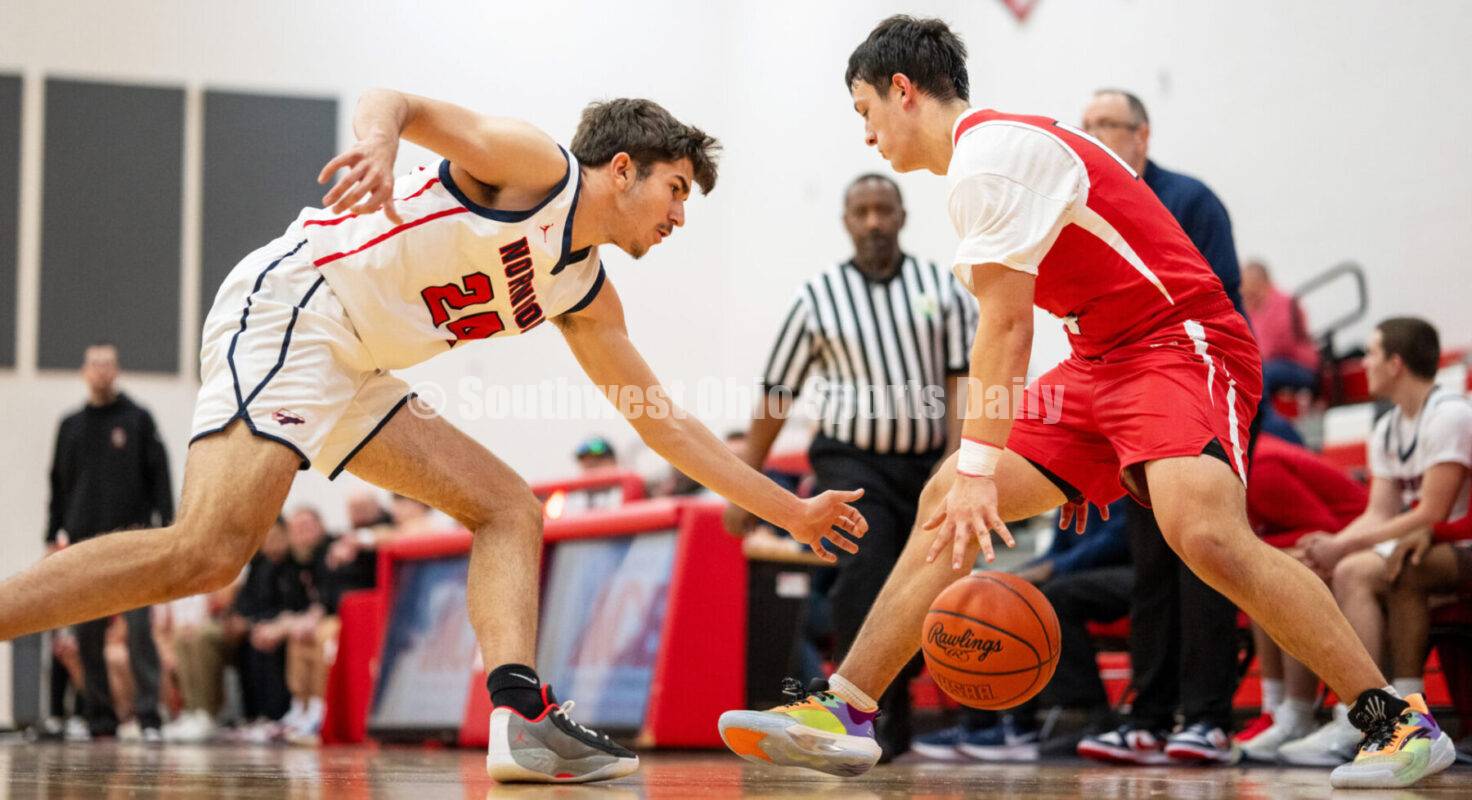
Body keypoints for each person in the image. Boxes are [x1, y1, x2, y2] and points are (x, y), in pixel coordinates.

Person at [0, 89, 866, 784]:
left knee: (508, 508)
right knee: (208, 552)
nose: (680, 215)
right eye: (676, 189)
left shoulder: (584, 293)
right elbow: (396, 101)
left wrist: (787, 511)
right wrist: (380, 146)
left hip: (356, 363)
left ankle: (520, 717)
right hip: (298, 305)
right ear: (623, 169)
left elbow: (661, 422)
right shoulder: (537, 168)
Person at [718, 16, 1454, 790]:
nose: (867, 134)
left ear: (902, 90)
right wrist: (1052, 464)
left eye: (865, 111)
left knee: (1204, 534)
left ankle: (1397, 720)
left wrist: (981, 469)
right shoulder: (990, 157)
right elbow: (1025, 326)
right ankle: (848, 707)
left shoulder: (988, 161)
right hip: (1099, 359)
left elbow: (1005, 330)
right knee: (944, 501)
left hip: (1179, 342)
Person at [724, 172, 976, 760]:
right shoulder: (816, 298)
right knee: (864, 578)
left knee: (922, 586)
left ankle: (892, 724)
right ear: (846, 222)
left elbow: (965, 379)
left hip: (926, 465)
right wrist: (744, 486)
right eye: (861, 212)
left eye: (883, 210)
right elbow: (778, 391)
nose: (873, 222)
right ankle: (867, 723)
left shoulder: (941, 288)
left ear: (902, 216)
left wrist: (956, 456)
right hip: (851, 464)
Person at [1073, 88, 1248, 766]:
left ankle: (1208, 720)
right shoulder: (1083, 208)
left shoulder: (1191, 200)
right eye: (1085, 125)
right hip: (1132, 404)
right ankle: (1147, 718)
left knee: (1204, 554)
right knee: (1150, 566)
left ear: (1142, 135)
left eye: (1106, 124)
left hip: (1203, 391)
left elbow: (1218, 302)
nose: (1092, 134)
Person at [1274, 317, 1472, 767]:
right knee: (1298, 567)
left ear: (1396, 363)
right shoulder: (1388, 427)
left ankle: (1368, 715)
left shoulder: (1450, 415)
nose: (1364, 363)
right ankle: (1293, 714)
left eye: (1372, 354)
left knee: (1352, 570)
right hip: (1418, 544)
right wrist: (1329, 545)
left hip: (1457, 540)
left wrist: (1342, 550)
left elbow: (1432, 514)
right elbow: (1380, 512)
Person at [916, 499, 1131, 761]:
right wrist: (1012, 575)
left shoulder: (1120, 486)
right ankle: (978, 722)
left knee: (1050, 599)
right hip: (1079, 575)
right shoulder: (1074, 492)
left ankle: (1040, 722)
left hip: (1130, 573)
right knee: (991, 594)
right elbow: (1056, 550)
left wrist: (1052, 568)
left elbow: (1118, 539)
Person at [44, 342, 174, 741]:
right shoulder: (70, 426)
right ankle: (100, 719)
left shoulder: (138, 419)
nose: (101, 370)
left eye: (107, 364)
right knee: (88, 636)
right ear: (85, 371)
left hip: (133, 544)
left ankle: (149, 717)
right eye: (95, 364)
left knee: (139, 633)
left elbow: (160, 476)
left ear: (116, 370)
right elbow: (58, 484)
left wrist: (167, 528)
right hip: (84, 545)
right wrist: (52, 535)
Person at [1235, 433, 1368, 762]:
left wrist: (1260, 552)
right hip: (1333, 541)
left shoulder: (1260, 467)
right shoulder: (1243, 463)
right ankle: (1278, 711)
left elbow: (1322, 527)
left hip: (1355, 538)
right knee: (1260, 572)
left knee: (1276, 572)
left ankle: (1306, 712)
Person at [1241, 258, 1320, 397]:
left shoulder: (1284, 304)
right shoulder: (1250, 310)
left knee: (1263, 375)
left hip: (1298, 366)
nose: (1247, 295)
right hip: (1268, 366)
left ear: (1262, 283)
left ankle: (1264, 410)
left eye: (1250, 289)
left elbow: (1279, 345)